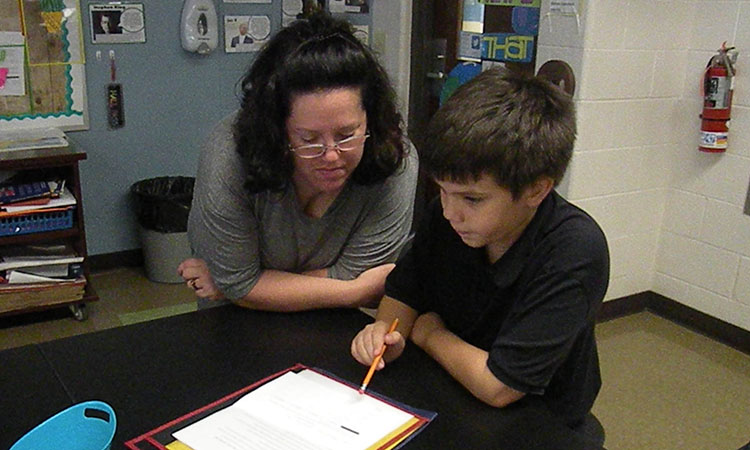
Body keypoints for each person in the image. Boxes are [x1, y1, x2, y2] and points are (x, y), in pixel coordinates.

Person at [350, 67, 609, 445]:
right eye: (442, 190)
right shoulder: (451, 214)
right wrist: (385, 333)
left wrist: (428, 332)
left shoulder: (574, 250)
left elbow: (499, 387)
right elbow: (406, 291)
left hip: (538, 421)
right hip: (450, 389)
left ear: (536, 190)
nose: (450, 210)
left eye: (472, 198)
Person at [179, 12, 417, 312]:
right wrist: (355, 292)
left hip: (327, 321)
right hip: (232, 320)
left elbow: (353, 275)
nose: (331, 155)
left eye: (347, 134)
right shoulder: (229, 155)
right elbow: (359, 286)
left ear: (370, 120)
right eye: (308, 139)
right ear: (277, 130)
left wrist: (241, 287)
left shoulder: (395, 160)